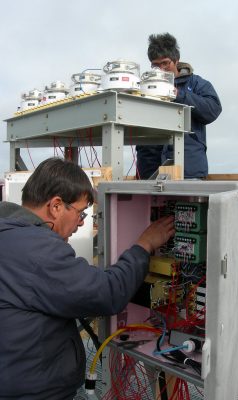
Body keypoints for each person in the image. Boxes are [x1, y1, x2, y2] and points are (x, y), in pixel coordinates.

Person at [0, 157, 175, 400]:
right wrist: (144, 245)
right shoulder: (37, 250)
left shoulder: (8, 233)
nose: (81, 223)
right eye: (80, 213)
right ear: (56, 206)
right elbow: (107, 293)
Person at [136, 32, 222, 179]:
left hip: (188, 172)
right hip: (150, 173)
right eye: (155, 65)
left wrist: (178, 94)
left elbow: (213, 109)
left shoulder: (197, 84)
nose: (161, 69)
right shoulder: (144, 87)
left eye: (165, 63)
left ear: (176, 61)